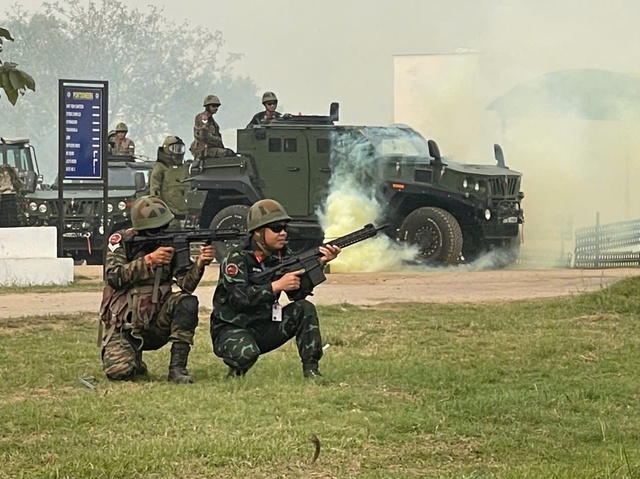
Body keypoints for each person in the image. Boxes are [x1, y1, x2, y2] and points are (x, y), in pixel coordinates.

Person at [210, 198, 341, 379]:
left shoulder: (283, 255)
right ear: (257, 232)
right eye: (276, 229)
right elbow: (238, 299)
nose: (283, 233)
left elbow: (297, 294)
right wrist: (276, 286)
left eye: (285, 228)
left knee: (305, 308)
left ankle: (311, 369)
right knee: (246, 354)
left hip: (264, 324)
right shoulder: (236, 258)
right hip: (232, 327)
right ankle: (235, 371)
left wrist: (319, 264)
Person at [99, 195, 215, 383]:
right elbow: (114, 276)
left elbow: (187, 285)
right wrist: (148, 261)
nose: (160, 233)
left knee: (186, 302)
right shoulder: (121, 241)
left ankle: (177, 369)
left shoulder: (171, 241)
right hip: (125, 326)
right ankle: (133, 359)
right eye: (154, 230)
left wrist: (200, 263)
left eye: (163, 227)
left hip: (157, 322)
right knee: (119, 372)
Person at [150, 135, 189, 230]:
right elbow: (154, 188)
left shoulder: (184, 168)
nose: (178, 152)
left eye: (180, 149)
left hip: (185, 211)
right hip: (169, 212)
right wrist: (159, 209)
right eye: (174, 148)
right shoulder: (160, 167)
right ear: (167, 149)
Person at [189, 94, 234, 160]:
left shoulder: (213, 123)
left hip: (211, 149)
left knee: (230, 153)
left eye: (217, 106)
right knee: (228, 153)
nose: (216, 108)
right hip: (204, 150)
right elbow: (204, 136)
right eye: (213, 106)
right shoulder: (203, 118)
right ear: (207, 107)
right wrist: (217, 140)